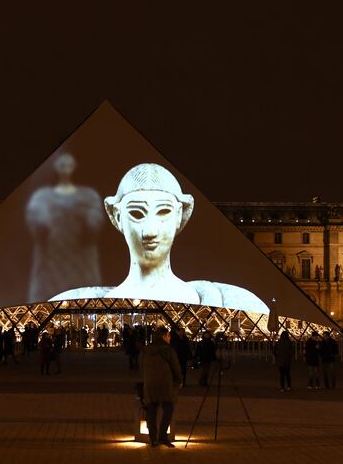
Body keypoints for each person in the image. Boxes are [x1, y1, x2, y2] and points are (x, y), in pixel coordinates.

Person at [50, 164, 269, 315]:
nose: (150, 231)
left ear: (179, 216)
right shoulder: (69, 300)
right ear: (117, 217)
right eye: (136, 214)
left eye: (163, 212)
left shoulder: (238, 301)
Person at [25, 153, 105, 303]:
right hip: (51, 258)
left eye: (69, 163)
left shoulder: (88, 196)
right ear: (55, 166)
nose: (65, 166)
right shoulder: (42, 197)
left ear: (74, 166)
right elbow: (37, 223)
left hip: (81, 259)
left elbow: (94, 223)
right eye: (61, 163)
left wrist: (88, 221)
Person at [140, 326, 183, 447]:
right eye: (168, 335)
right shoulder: (168, 350)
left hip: (150, 384)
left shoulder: (146, 349)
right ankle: (163, 436)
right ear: (163, 336)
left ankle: (153, 439)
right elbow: (175, 367)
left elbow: (141, 366)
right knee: (168, 409)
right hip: (165, 384)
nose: (169, 338)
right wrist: (179, 380)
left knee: (151, 411)